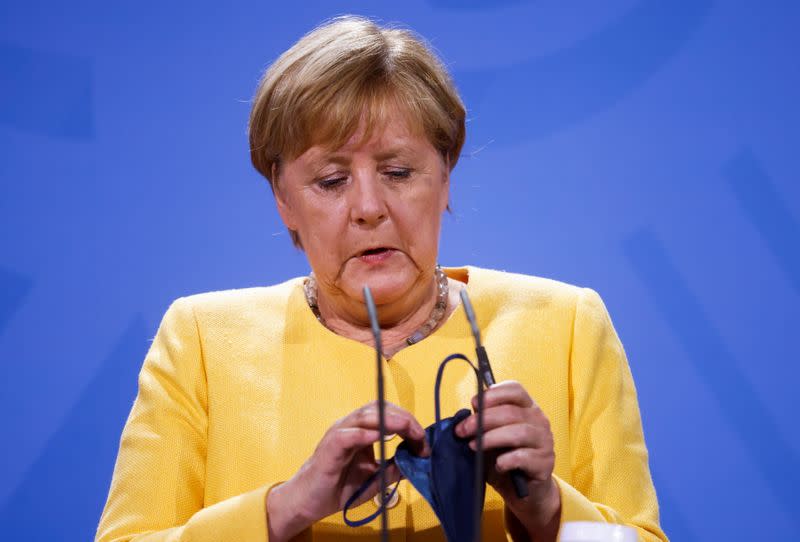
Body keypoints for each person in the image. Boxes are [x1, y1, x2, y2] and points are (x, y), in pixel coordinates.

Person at [96, 15, 668, 542]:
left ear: (445, 178)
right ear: (282, 200)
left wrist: (546, 507)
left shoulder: (567, 326)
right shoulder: (200, 339)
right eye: (330, 181)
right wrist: (285, 508)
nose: (369, 207)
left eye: (398, 172)